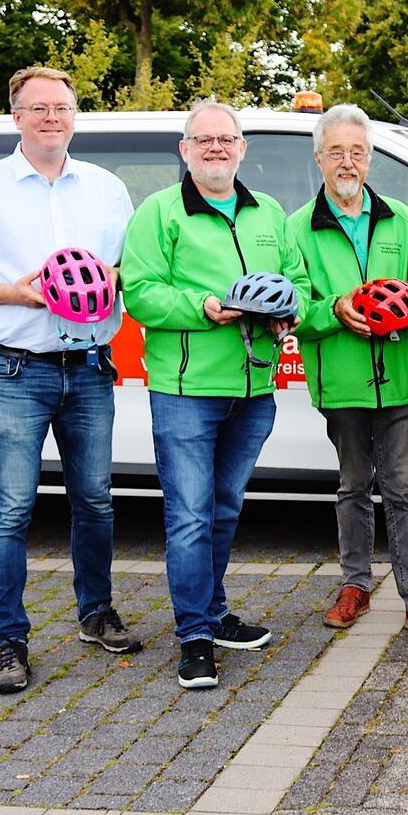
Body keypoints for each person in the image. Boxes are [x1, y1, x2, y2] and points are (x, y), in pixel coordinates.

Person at [0, 66, 139, 695]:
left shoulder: (107, 189)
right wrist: (17, 295)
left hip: (90, 369)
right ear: (16, 116)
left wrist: (114, 278)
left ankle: (95, 613)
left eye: (62, 106)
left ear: (74, 115)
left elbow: (130, 268)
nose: (52, 116)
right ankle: (8, 640)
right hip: (15, 369)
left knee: (96, 503)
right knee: (9, 511)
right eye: (39, 107)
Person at [120, 100, 309, 689]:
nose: (216, 148)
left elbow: (297, 281)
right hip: (186, 389)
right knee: (188, 516)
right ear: (185, 150)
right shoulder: (159, 211)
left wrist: (288, 314)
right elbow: (141, 292)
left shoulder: (268, 211)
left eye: (226, 139)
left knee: (224, 508)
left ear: (242, 147)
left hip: (254, 386)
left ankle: (215, 611)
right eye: (203, 140)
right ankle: (194, 636)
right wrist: (203, 308)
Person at [287, 103, 408, 643]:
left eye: (357, 152)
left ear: (370, 159)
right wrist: (334, 309)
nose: (347, 161)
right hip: (340, 382)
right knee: (353, 486)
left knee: (404, 491)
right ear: (319, 158)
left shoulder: (401, 220)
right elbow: (293, 306)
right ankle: (355, 585)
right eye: (336, 151)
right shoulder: (298, 229)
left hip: (400, 380)